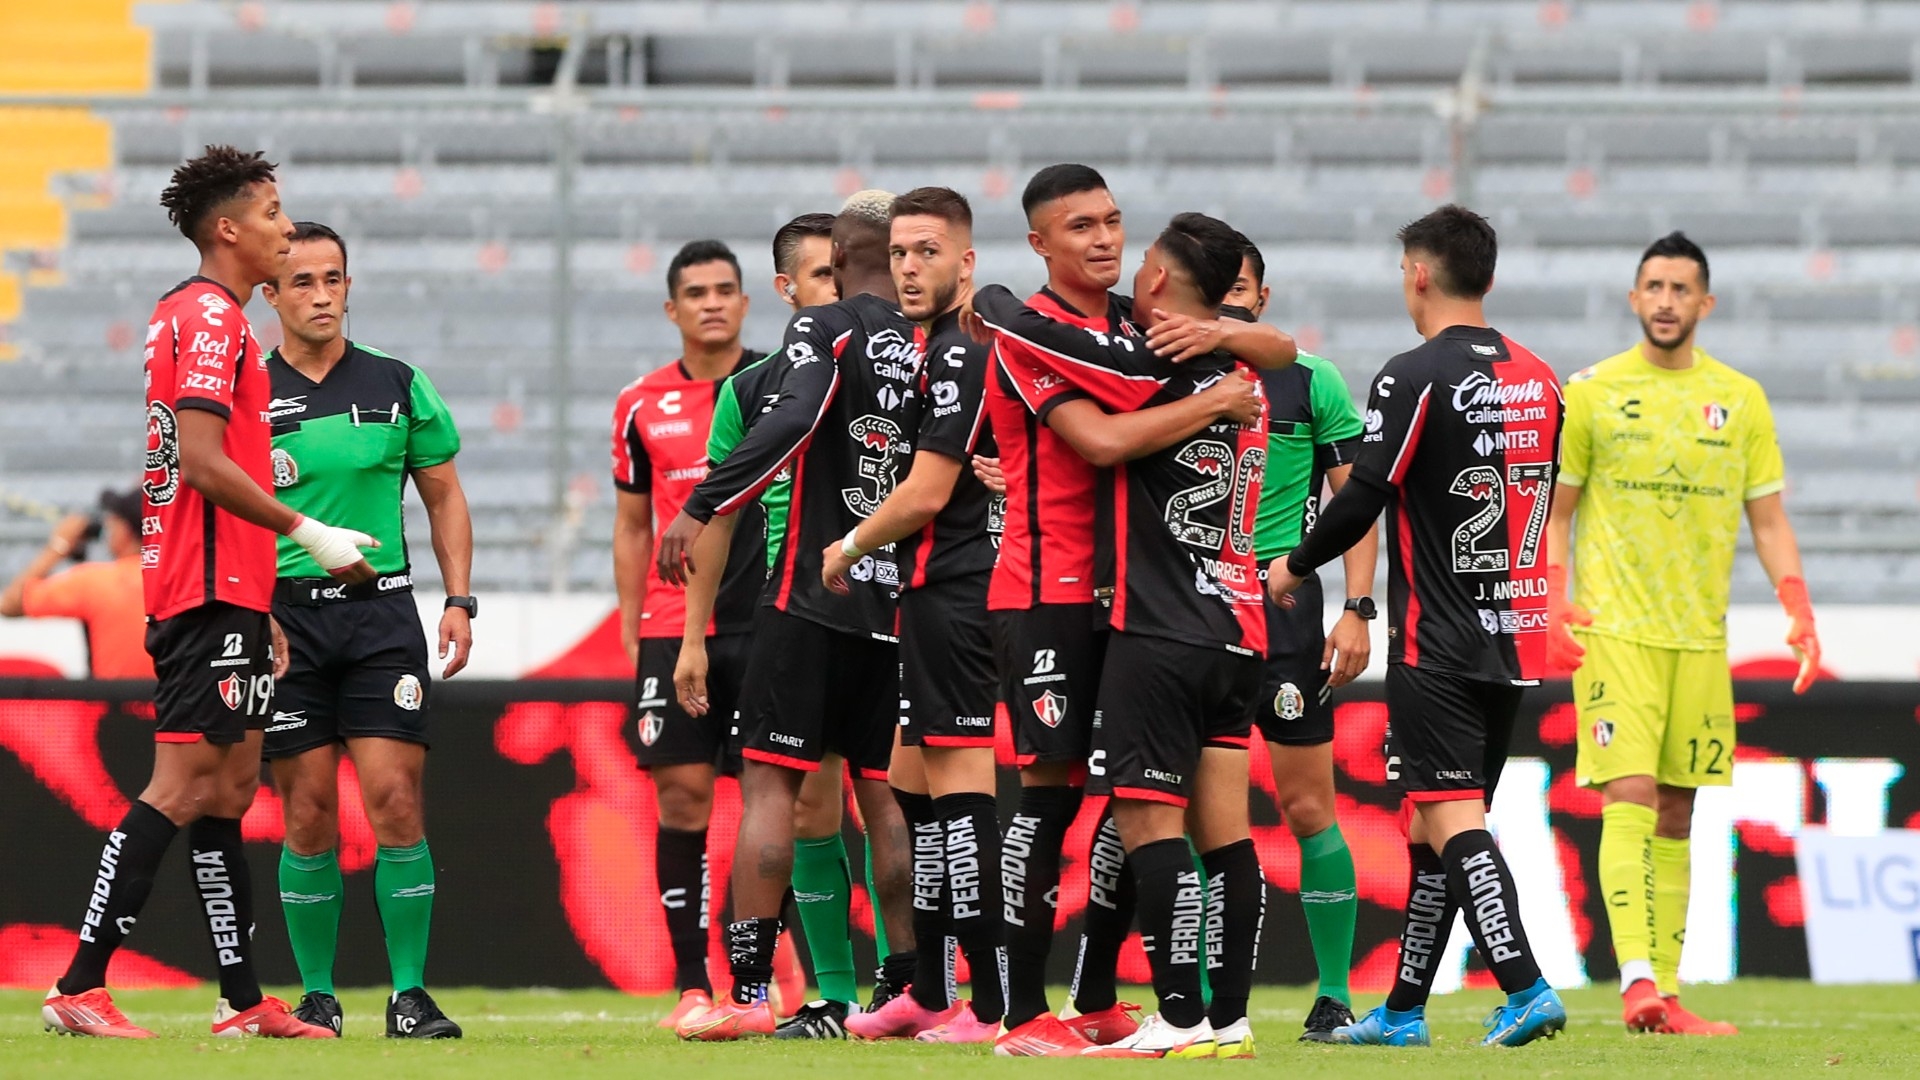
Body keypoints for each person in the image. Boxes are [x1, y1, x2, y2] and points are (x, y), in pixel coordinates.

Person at [41, 145, 374, 1040]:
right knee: (183, 785)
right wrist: (308, 532)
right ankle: (79, 984)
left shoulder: (187, 314)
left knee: (228, 788)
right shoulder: (214, 317)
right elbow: (199, 459)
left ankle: (240, 1000)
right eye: (271, 213)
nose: (285, 228)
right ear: (227, 229)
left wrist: (259, 597)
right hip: (204, 583)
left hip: (229, 585)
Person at [984, 165, 1288, 1057]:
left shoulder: (1138, 326)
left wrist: (1229, 337)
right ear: (1040, 242)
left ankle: (1107, 997)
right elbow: (1100, 441)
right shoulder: (1032, 334)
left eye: (1114, 221)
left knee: (1134, 803)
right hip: (1050, 588)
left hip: (1138, 602)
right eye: (1081, 226)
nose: (1105, 239)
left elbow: (1278, 349)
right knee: (1052, 797)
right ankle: (1021, 1013)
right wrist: (1218, 394)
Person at [1270, 204, 1567, 1048]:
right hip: (1515, 629)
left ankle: (1526, 986)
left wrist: (1295, 565)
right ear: (1489, 276)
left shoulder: (1413, 374)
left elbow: (1362, 494)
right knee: (1432, 824)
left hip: (1438, 636)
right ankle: (1402, 1011)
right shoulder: (1541, 376)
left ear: (1421, 275)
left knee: (1452, 817)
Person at [656, 191, 921, 1041]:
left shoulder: (815, 340)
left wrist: (697, 504)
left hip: (806, 596)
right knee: (886, 798)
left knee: (775, 790)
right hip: (900, 603)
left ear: (839, 261)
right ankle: (903, 991)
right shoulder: (937, 345)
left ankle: (745, 993)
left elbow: (786, 433)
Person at [1545, 232, 1818, 1037]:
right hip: (1615, 631)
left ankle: (1664, 993)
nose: (1666, 301)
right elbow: (1557, 513)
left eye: (1680, 289)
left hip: (1698, 638)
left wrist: (1798, 604)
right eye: (1654, 287)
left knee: (1676, 809)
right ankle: (1636, 981)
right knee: (1628, 793)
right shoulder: (1592, 393)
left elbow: (1768, 520)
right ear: (1635, 299)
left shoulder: (1741, 399)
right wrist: (1554, 600)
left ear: (1706, 303)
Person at [258, 221, 474, 1038]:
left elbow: (444, 494)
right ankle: (318, 996)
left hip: (381, 615)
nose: (322, 295)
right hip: (286, 623)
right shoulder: (246, 392)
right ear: (270, 295)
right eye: (302, 281)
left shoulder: (397, 382)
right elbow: (224, 509)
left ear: (349, 286)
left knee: (394, 799)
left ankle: (409, 996)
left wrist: (459, 599)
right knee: (309, 811)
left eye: (334, 279)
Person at [814, 187, 1002, 1043]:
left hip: (959, 591)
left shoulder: (959, 350)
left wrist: (849, 546)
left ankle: (989, 1004)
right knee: (909, 779)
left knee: (961, 797)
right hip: (930, 591)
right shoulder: (944, 348)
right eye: (898, 254)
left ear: (967, 260)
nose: (910, 269)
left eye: (928, 252)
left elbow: (925, 493)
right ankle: (928, 988)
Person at [611, 239, 783, 1029]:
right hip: (673, 624)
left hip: (766, 618)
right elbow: (632, 525)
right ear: (672, 309)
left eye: (724, 290)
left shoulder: (783, 383)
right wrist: (631, 625)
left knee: (773, 802)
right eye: (696, 293)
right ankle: (691, 985)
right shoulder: (639, 404)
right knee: (681, 796)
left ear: (746, 302)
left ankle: (763, 977)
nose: (712, 303)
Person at [1223, 239, 1374, 1041]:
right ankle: (1201, 999)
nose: (1230, 302)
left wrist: (1359, 608)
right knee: (1188, 810)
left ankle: (1335, 993)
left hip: (1283, 608)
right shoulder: (1167, 375)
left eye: (1241, 289)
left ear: (1264, 297)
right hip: (1192, 610)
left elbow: (1355, 505)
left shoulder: (1312, 380)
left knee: (1309, 805)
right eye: (1216, 289)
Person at [0, 490, 153, 678]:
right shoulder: (174, 578)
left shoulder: (96, 582)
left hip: (115, 696)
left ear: (125, 531)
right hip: (170, 695)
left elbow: (10, 604)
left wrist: (60, 544)